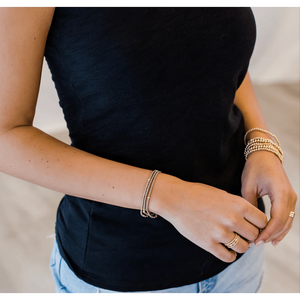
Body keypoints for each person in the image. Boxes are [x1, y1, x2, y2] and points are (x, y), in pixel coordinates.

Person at [0, 4, 297, 296]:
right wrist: (170, 196)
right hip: (123, 276)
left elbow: (219, 53)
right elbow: (6, 136)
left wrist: (261, 144)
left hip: (240, 253)